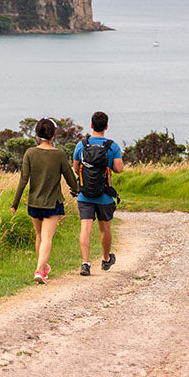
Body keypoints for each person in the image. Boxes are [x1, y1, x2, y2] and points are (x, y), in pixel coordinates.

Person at [11, 118, 79, 284]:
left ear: (37, 133)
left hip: (34, 202)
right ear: (53, 134)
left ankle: (43, 267)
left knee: (39, 235)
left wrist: (15, 203)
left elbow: (23, 180)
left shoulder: (30, 153)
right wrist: (78, 190)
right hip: (52, 203)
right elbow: (70, 179)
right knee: (47, 237)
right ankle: (40, 270)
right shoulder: (59, 154)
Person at [72, 111, 123, 276]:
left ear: (92, 125)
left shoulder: (81, 145)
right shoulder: (112, 146)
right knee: (105, 229)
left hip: (85, 195)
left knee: (85, 229)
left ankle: (85, 263)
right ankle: (106, 259)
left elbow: (75, 168)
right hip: (105, 196)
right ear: (106, 126)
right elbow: (119, 169)